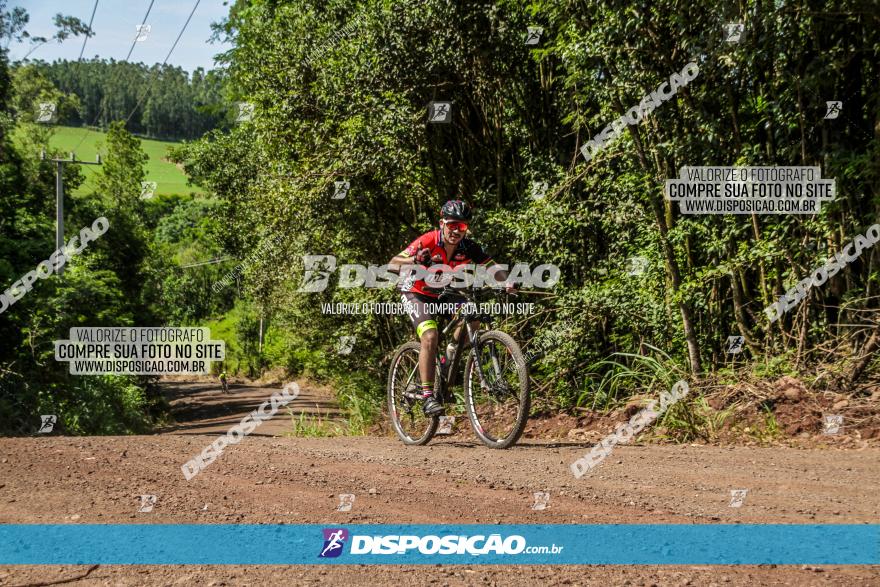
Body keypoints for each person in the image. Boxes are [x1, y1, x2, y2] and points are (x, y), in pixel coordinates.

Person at [388, 199, 515, 417]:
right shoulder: (428, 240)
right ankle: (427, 397)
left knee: (473, 318)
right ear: (442, 224)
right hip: (415, 292)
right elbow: (392, 264)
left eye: (462, 227)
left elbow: (492, 266)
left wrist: (507, 283)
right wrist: (415, 260)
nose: (456, 231)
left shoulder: (469, 247)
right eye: (452, 225)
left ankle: (448, 358)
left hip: (445, 293)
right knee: (429, 335)